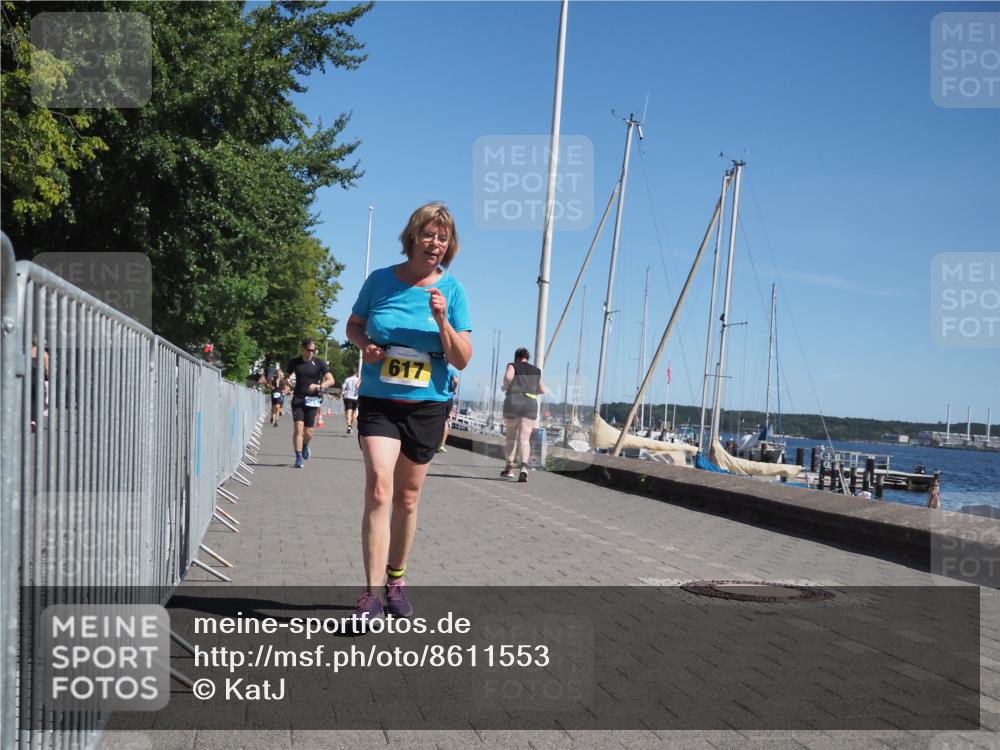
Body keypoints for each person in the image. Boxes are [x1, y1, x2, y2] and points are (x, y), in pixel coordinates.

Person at [346, 202, 471, 622]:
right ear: (413, 236)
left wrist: (442, 321)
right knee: (380, 487)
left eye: (443, 237)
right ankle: (369, 595)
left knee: (407, 497)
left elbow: (462, 358)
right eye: (429, 234)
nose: (436, 243)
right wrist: (366, 346)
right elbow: (354, 324)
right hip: (381, 400)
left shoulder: (452, 291)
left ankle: (395, 580)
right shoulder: (380, 280)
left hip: (427, 405)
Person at [286, 339, 335, 468]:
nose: (311, 353)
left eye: (313, 350)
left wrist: (319, 386)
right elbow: (285, 377)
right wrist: (287, 383)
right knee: (298, 428)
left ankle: (305, 445)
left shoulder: (319, 363)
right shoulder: (294, 362)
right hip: (298, 398)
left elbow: (331, 380)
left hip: (313, 400)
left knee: (309, 432)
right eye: (309, 350)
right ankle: (298, 458)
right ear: (303, 349)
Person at [500, 347, 545, 482]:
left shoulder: (512, 365)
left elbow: (508, 377)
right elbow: (542, 389)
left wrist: (506, 386)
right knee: (524, 439)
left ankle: (508, 469)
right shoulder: (536, 371)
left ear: (516, 357)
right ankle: (524, 467)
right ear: (527, 357)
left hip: (513, 401)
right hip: (530, 403)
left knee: (511, 436)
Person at [437, 366, 459, 453]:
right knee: (445, 421)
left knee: (435, 419)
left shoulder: (438, 369)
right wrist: (453, 390)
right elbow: (456, 381)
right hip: (449, 398)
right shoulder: (451, 371)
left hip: (438, 397)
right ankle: (442, 445)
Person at [341, 367, 361, 434]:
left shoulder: (347, 379)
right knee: (354, 412)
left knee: (348, 412)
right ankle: (350, 426)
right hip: (356, 397)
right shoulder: (358, 380)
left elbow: (343, 388)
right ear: (357, 373)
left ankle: (349, 426)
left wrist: (343, 394)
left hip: (348, 397)